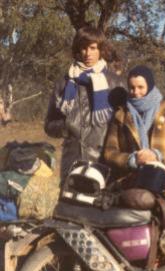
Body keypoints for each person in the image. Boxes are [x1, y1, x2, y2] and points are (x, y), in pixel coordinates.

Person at [45, 26, 126, 180]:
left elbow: (127, 126)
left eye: (93, 48)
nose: (88, 53)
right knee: (70, 204)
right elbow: (49, 124)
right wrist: (65, 126)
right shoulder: (64, 82)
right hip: (72, 163)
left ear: (100, 50)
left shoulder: (116, 83)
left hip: (106, 163)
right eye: (83, 48)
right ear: (77, 50)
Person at [104, 65, 165, 195]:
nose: (136, 92)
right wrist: (132, 159)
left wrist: (158, 156)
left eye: (141, 87)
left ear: (149, 86)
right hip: (131, 185)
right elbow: (109, 153)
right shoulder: (120, 115)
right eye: (132, 88)